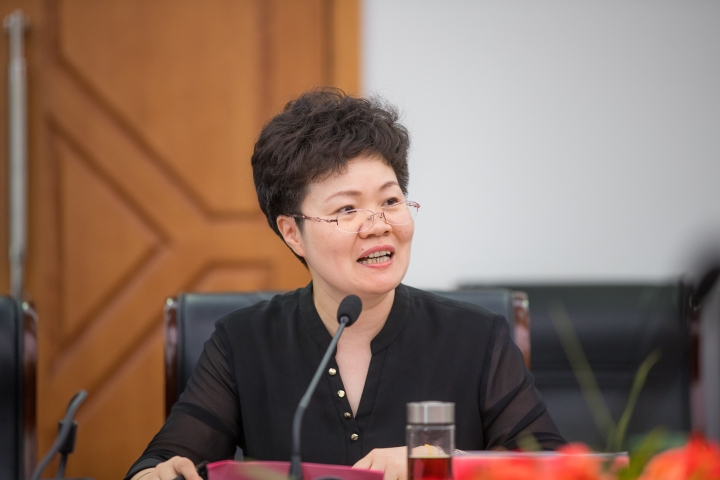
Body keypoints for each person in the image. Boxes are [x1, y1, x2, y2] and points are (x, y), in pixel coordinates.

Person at [125, 89, 565, 480]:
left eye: (390, 200)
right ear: (293, 233)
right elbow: (164, 458)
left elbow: (554, 467)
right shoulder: (243, 342)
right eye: (346, 210)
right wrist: (157, 473)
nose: (378, 225)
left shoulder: (476, 337)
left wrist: (437, 464)